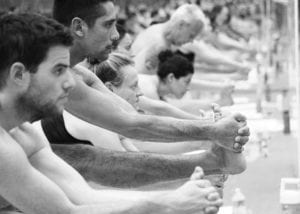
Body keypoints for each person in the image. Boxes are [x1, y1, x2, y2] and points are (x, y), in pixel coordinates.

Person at [0, 13, 223, 214]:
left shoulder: (25, 134)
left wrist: (177, 199)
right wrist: (169, 203)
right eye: (58, 70)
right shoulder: (4, 147)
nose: (69, 83)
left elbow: (87, 198)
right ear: (18, 74)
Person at [44, 0, 250, 187]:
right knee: (85, 158)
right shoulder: (57, 72)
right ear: (79, 27)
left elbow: (132, 119)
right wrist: (210, 134)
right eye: (108, 25)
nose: (116, 35)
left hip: (45, 163)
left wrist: (209, 130)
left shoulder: (77, 73)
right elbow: (133, 128)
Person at [131, 3, 207, 75]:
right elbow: (140, 81)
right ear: (181, 24)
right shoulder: (159, 45)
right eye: (191, 36)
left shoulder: (159, 31)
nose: (191, 41)